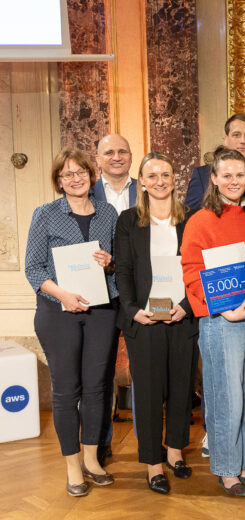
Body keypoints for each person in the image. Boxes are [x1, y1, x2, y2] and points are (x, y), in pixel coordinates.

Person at [25, 148, 118, 497]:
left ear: (90, 176)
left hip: (100, 312)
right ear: (58, 181)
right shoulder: (45, 214)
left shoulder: (108, 212)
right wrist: (63, 295)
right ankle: (72, 466)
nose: (75, 179)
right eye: (67, 174)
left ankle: (93, 460)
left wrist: (109, 261)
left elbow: (114, 263)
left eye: (81, 172)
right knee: (66, 392)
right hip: (57, 312)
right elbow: (33, 268)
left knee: (97, 388)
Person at [186, 114, 245, 457]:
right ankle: (226, 469)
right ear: (214, 178)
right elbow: (193, 272)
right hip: (220, 319)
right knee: (227, 396)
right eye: (227, 175)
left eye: (239, 175)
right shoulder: (200, 221)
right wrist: (223, 309)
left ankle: (244, 463)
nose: (234, 181)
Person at [114, 152, 199, 494]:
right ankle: (152, 461)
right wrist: (132, 309)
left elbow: (200, 267)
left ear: (173, 178)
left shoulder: (191, 218)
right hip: (144, 320)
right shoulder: (127, 220)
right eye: (152, 175)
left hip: (181, 316)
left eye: (165, 174)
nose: (160, 180)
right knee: (148, 392)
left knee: (181, 387)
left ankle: (176, 450)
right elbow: (123, 270)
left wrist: (187, 306)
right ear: (142, 182)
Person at [93, 133, 136, 466]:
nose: (117, 156)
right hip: (101, 293)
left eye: (123, 151)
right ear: (98, 159)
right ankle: (100, 442)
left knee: (146, 370)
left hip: (141, 293)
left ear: (131, 156)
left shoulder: (149, 189)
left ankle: (148, 443)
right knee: (100, 371)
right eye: (109, 152)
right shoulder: (83, 192)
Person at [185, 113, 245, 215]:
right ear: (226, 139)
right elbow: (189, 217)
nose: (243, 141)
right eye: (236, 135)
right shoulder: (202, 175)